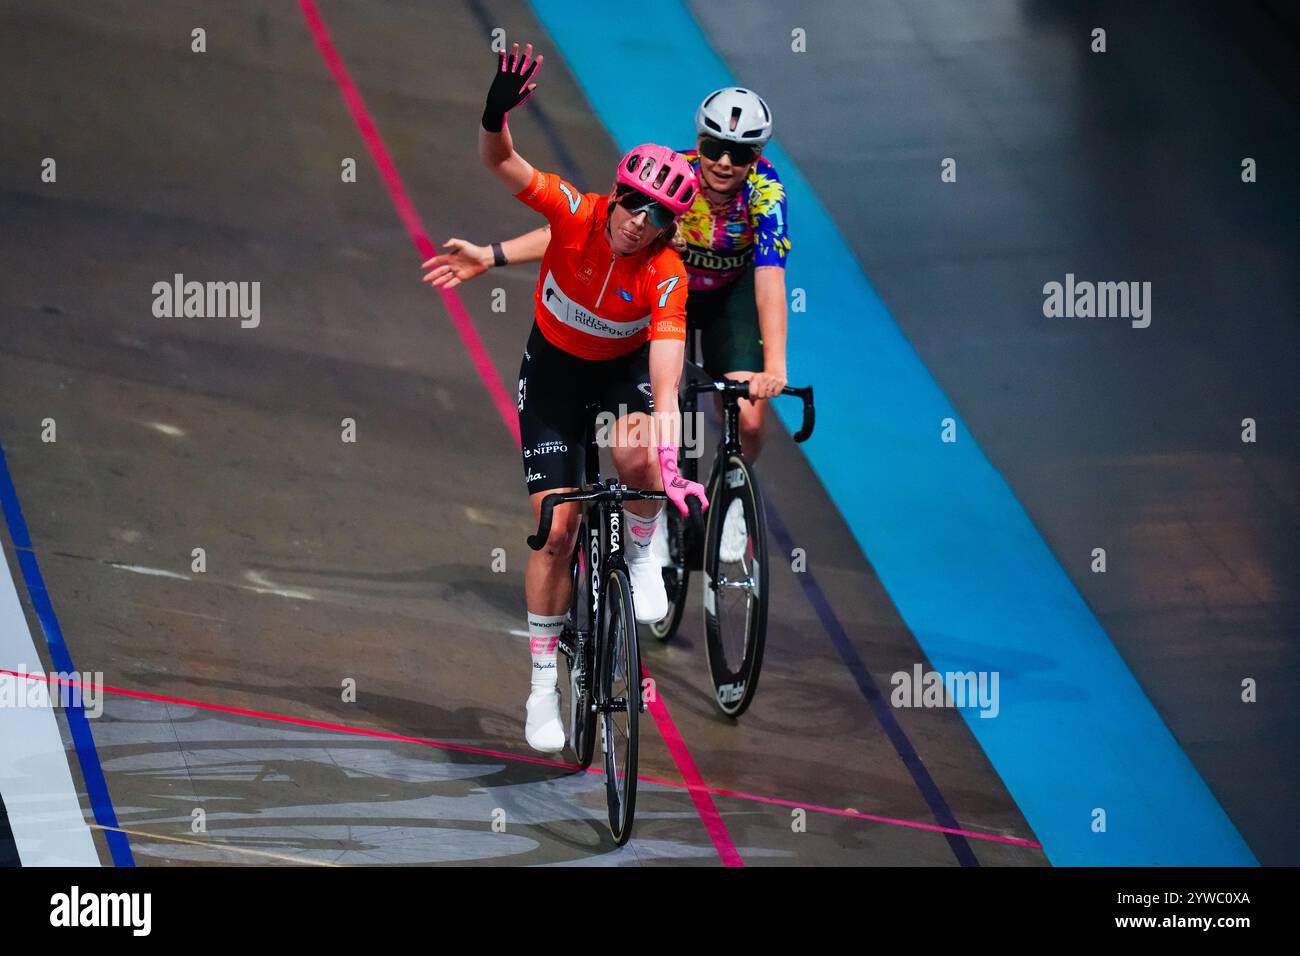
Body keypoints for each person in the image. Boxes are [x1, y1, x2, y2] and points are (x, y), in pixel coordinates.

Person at [423, 43, 709, 753]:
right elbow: (501, 163)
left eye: (660, 216)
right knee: (557, 531)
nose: (642, 221)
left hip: (621, 378)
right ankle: (541, 687)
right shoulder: (575, 211)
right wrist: (495, 112)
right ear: (618, 195)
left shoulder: (665, 270)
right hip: (552, 377)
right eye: (636, 204)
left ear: (671, 228)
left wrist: (670, 461)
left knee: (640, 453)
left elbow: (668, 374)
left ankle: (644, 554)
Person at [424, 86, 789, 564]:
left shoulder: (767, 193)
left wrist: (776, 366)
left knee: (751, 413)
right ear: (697, 143)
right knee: (654, 404)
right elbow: (584, 228)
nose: (723, 161)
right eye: (713, 147)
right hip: (656, 291)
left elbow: (769, 281)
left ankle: (733, 496)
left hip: (726, 295)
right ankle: (651, 510)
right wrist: (496, 255)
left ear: (756, 157)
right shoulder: (669, 174)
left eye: (738, 154)